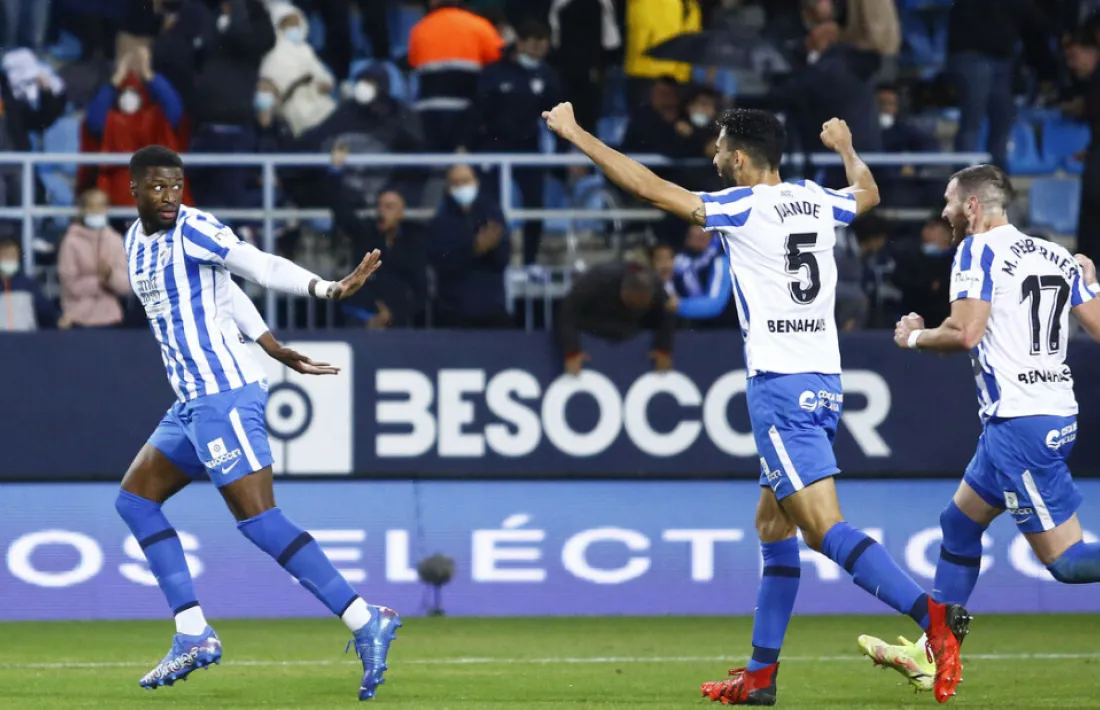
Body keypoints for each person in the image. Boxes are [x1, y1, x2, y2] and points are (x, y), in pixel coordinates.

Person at [542, 102, 970, 704]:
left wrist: (576, 133)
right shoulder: (816, 201)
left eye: (719, 149)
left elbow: (646, 185)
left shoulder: (741, 207)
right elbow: (866, 192)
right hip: (823, 379)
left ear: (739, 159)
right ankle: (760, 677)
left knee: (823, 529)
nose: (714, 157)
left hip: (780, 385)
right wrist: (846, 148)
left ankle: (933, 619)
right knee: (773, 524)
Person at [116, 145, 400, 700]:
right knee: (134, 501)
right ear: (134, 190)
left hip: (224, 395)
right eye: (157, 187)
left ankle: (366, 618)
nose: (169, 197)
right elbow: (224, 292)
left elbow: (257, 266)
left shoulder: (195, 229)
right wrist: (271, 344)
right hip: (191, 403)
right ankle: (193, 632)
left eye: (176, 185)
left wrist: (329, 289)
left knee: (260, 521)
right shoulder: (133, 243)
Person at [858, 165, 1100, 693]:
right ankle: (933, 652)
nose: (943, 211)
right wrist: (1093, 281)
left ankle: (934, 649)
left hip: (1020, 424)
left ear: (971, 207)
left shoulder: (976, 251)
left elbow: (967, 334)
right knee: (958, 524)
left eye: (949, 201)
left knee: (1065, 561)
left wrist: (914, 340)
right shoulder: (1056, 254)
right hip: (1040, 415)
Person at [556, 260, 675, 374]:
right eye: (634, 302)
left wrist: (663, 349)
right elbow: (568, 309)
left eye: (642, 303)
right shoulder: (600, 278)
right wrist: (571, 351)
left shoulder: (655, 286)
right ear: (624, 290)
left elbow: (666, 314)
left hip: (632, 329)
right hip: (594, 323)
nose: (636, 306)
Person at [57, 188, 131, 329]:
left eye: (101, 205)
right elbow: (70, 286)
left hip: (111, 320)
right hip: (77, 319)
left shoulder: (116, 240)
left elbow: (127, 286)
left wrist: (110, 275)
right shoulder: (71, 242)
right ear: (83, 210)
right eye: (92, 206)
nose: (97, 210)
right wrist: (100, 281)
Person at [0, 238, 56, 331]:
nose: (9, 259)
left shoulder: (28, 284)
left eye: (13, 255)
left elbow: (45, 311)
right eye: (5, 255)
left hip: (25, 340)